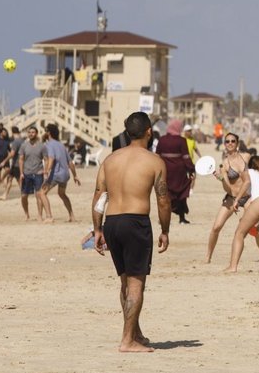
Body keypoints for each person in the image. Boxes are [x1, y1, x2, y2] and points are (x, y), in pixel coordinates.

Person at [92, 111, 170, 353]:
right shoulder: (154, 161)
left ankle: (134, 332)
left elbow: (99, 197)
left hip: (112, 222)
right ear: (149, 132)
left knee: (125, 281)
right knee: (137, 284)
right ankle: (127, 341)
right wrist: (165, 230)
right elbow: (163, 200)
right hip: (135, 222)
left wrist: (97, 229)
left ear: (127, 132)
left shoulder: (110, 160)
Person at [205, 132, 251, 263]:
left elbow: (248, 178)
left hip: (247, 197)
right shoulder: (224, 163)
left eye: (232, 141)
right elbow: (226, 186)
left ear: (237, 143)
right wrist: (221, 178)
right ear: (224, 144)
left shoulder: (245, 157)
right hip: (231, 198)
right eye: (227, 141)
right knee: (216, 227)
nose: (230, 143)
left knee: (254, 228)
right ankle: (208, 256)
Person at [36, 123, 80, 223]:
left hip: (56, 174)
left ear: (49, 133)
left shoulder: (49, 144)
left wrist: (46, 171)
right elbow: (70, 163)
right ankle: (72, 216)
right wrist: (75, 176)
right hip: (65, 174)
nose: (44, 133)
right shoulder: (61, 145)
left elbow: (51, 158)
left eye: (45, 131)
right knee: (62, 194)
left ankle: (49, 216)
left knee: (41, 193)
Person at [156, 120, 196, 224]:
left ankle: (163, 218)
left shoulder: (162, 139)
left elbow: (157, 155)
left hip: (165, 171)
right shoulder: (181, 140)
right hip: (179, 173)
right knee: (181, 195)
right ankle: (182, 219)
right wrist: (191, 169)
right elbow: (186, 157)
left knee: (166, 195)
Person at [18, 126, 45, 220]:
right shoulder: (24, 145)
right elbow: (21, 160)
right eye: (29, 132)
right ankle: (26, 214)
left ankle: (40, 215)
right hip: (26, 173)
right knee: (24, 196)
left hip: (38, 173)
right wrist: (21, 173)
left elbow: (46, 159)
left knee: (39, 195)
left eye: (33, 132)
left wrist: (45, 171)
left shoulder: (42, 146)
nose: (31, 134)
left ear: (36, 133)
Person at [0, 127, 24, 201]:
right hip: (18, 164)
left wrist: (4, 161)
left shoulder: (16, 142)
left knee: (19, 181)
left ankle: (24, 194)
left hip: (16, 164)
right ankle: (5, 195)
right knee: (9, 179)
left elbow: (12, 154)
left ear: (12, 132)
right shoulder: (23, 140)